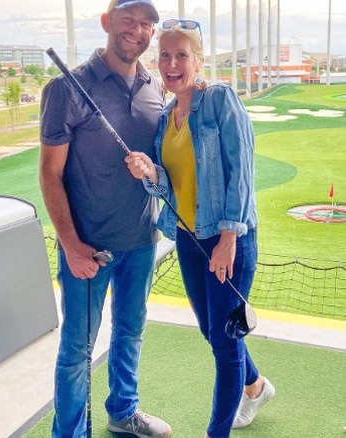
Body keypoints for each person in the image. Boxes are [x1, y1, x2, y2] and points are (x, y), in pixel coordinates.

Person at [125, 19, 273, 438]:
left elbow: (241, 172)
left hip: (228, 239)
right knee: (213, 332)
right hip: (189, 239)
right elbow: (167, 185)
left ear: (199, 60)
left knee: (225, 346)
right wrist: (147, 170)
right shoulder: (168, 115)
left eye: (181, 55)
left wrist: (228, 239)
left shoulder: (220, 100)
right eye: (165, 55)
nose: (172, 63)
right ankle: (256, 386)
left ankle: (216, 432)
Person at [39, 0, 173, 437]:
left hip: (140, 241)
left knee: (130, 333)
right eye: (128, 21)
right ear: (106, 23)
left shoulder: (155, 87)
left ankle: (122, 413)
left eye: (147, 24)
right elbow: (50, 174)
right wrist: (72, 244)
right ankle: (70, 432)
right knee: (78, 350)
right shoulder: (67, 88)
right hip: (89, 248)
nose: (138, 31)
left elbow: (159, 164)